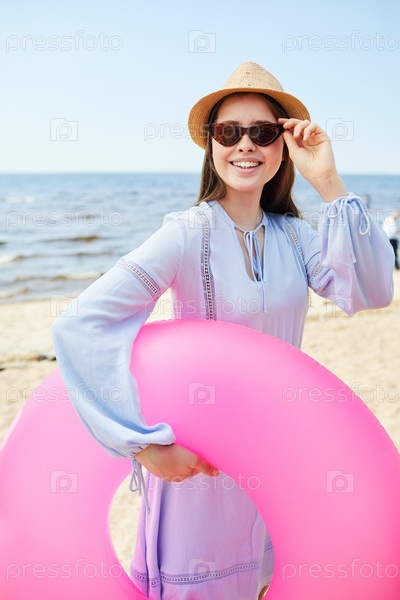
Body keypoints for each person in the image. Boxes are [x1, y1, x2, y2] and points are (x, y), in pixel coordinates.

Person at [51, 61, 394, 600]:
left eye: (262, 132)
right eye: (229, 132)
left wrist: (328, 182)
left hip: (276, 452)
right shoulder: (187, 233)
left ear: (283, 145)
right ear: (211, 144)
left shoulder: (296, 237)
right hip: (201, 463)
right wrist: (141, 445)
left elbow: (370, 291)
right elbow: (82, 322)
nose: (245, 145)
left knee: (265, 582)